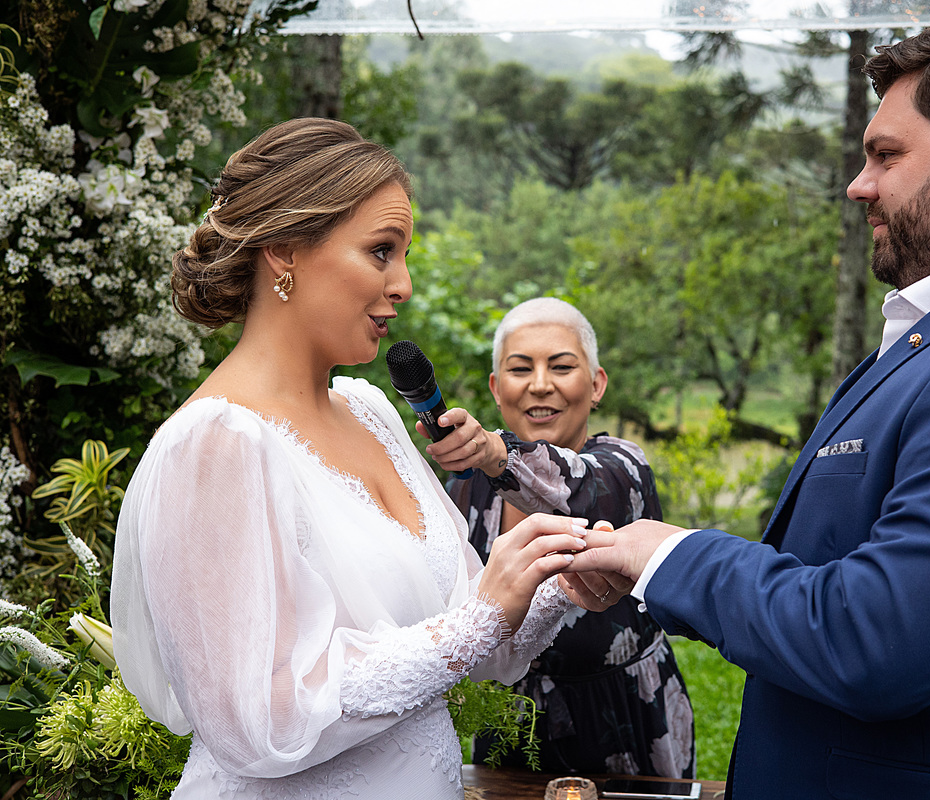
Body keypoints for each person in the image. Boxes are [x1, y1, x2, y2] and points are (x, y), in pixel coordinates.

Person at [561, 10, 930, 799]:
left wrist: (671, 555)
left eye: (886, 154)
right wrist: (646, 563)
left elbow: (878, 641)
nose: (859, 184)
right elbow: (835, 565)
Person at [110, 118, 597, 800]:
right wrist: (480, 618)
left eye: (403, 255)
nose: (402, 283)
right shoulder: (216, 444)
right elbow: (256, 724)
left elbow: (472, 639)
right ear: (284, 250)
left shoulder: (370, 409)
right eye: (380, 251)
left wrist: (555, 582)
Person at [422, 297, 694, 779]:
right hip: (509, 724)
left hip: (624, 714)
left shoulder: (623, 468)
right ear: (497, 387)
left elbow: (581, 491)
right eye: (520, 368)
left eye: (562, 366)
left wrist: (492, 449)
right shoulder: (465, 487)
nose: (540, 384)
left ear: (596, 385)